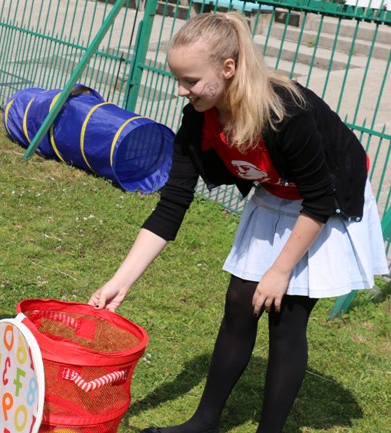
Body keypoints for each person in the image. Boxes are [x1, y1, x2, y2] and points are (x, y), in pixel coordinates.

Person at [88, 12, 388, 433]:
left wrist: (281, 270)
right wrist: (122, 280)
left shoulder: (286, 112)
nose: (182, 90)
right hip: (279, 191)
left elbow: (319, 198)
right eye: (178, 78)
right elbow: (173, 204)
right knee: (239, 304)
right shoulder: (199, 116)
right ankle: (205, 421)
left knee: (287, 314)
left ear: (228, 69)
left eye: (191, 80)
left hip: (328, 197)